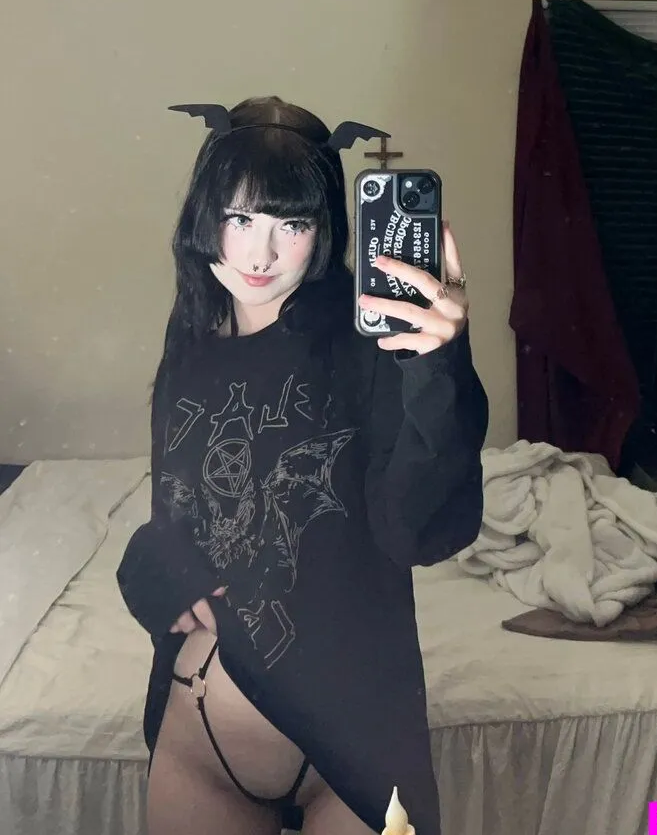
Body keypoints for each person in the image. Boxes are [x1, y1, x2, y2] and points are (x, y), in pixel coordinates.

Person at [116, 96, 489, 835]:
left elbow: (416, 531)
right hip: (204, 745)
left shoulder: (369, 337)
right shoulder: (192, 337)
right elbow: (179, 512)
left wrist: (439, 367)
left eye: (291, 224)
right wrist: (156, 569)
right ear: (204, 215)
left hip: (358, 745)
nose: (259, 255)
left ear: (326, 230)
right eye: (240, 218)